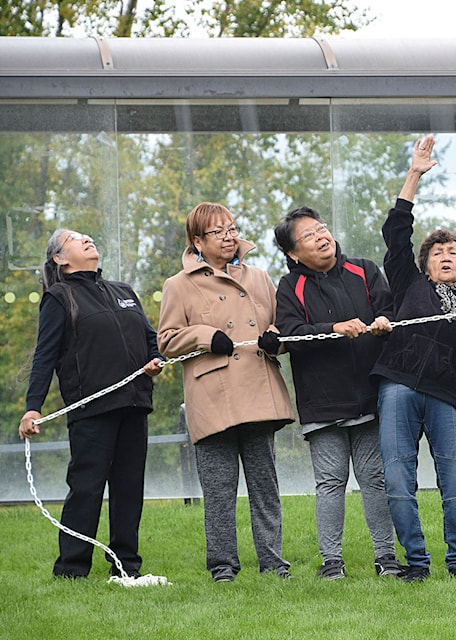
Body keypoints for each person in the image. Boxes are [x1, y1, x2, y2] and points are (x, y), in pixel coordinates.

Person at [371, 135, 456, 582]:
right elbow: (395, 233)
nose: (446, 256)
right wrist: (414, 174)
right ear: (425, 265)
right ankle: (415, 562)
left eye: (453, 252)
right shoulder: (409, 285)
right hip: (399, 386)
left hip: (450, 397)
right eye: (437, 252)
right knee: (397, 479)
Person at [158, 202, 295, 583]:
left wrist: (275, 340)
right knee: (218, 491)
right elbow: (166, 341)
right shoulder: (178, 285)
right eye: (218, 232)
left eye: (232, 228)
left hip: (258, 391)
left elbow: (281, 328)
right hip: (213, 396)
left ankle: (273, 561)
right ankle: (223, 565)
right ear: (197, 241)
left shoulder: (259, 277)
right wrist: (205, 337)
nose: (229, 235)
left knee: (265, 485)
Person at [18, 229, 163, 579]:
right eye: (75, 237)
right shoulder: (58, 297)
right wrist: (33, 407)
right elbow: (45, 356)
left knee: (129, 487)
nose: (87, 239)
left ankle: (126, 567)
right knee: (87, 487)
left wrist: (155, 359)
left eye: (87, 236)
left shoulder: (123, 292)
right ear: (60, 258)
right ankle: (71, 569)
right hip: (91, 409)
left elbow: (148, 337)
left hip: (134, 402)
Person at [273, 206, 400, 581]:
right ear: (294, 253)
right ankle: (332, 561)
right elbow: (290, 333)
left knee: (375, 479)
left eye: (322, 228)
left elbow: (391, 310)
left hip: (369, 397)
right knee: (330, 482)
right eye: (309, 235)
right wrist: (334, 328)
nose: (321, 236)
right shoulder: (289, 287)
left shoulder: (364, 269)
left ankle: (387, 557)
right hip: (323, 403)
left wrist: (383, 323)